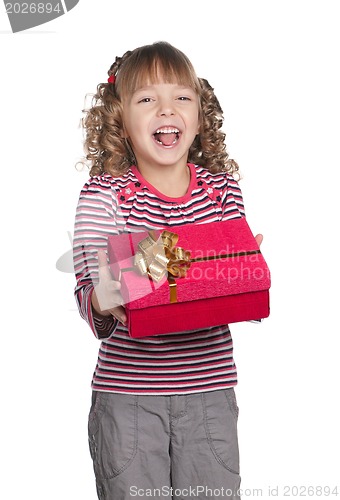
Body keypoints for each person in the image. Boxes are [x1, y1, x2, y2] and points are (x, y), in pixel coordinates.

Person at [73, 41, 262, 500]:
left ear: (199, 116)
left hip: (210, 394)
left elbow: (235, 285)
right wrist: (112, 290)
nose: (166, 109)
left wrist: (240, 268)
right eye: (146, 99)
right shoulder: (106, 195)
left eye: (181, 97)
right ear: (121, 118)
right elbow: (93, 295)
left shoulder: (221, 192)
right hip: (130, 398)